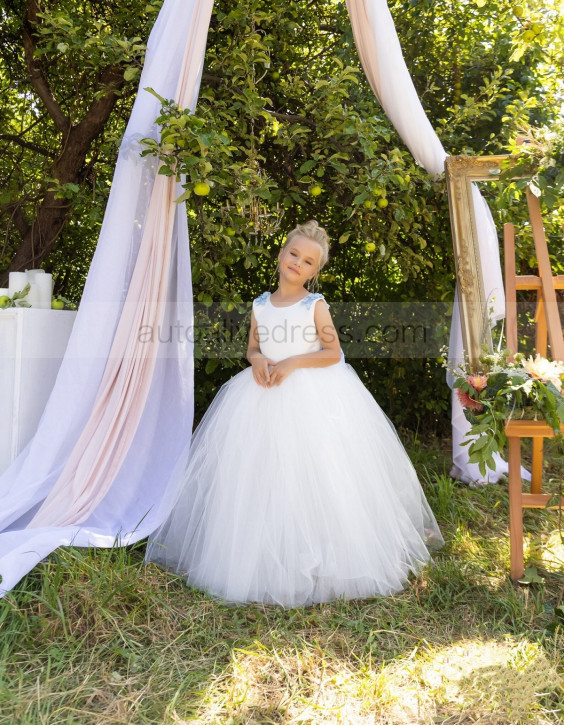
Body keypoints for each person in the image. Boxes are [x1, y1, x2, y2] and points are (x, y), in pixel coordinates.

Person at [145, 220, 443, 606]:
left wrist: (293, 363)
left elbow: (333, 353)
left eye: (308, 261)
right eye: (294, 254)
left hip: (309, 394)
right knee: (261, 474)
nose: (298, 263)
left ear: (314, 272)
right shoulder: (260, 304)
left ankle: (325, 559)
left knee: (315, 473)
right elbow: (253, 347)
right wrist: (258, 361)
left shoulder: (313, 304)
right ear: (281, 253)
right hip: (262, 392)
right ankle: (260, 559)